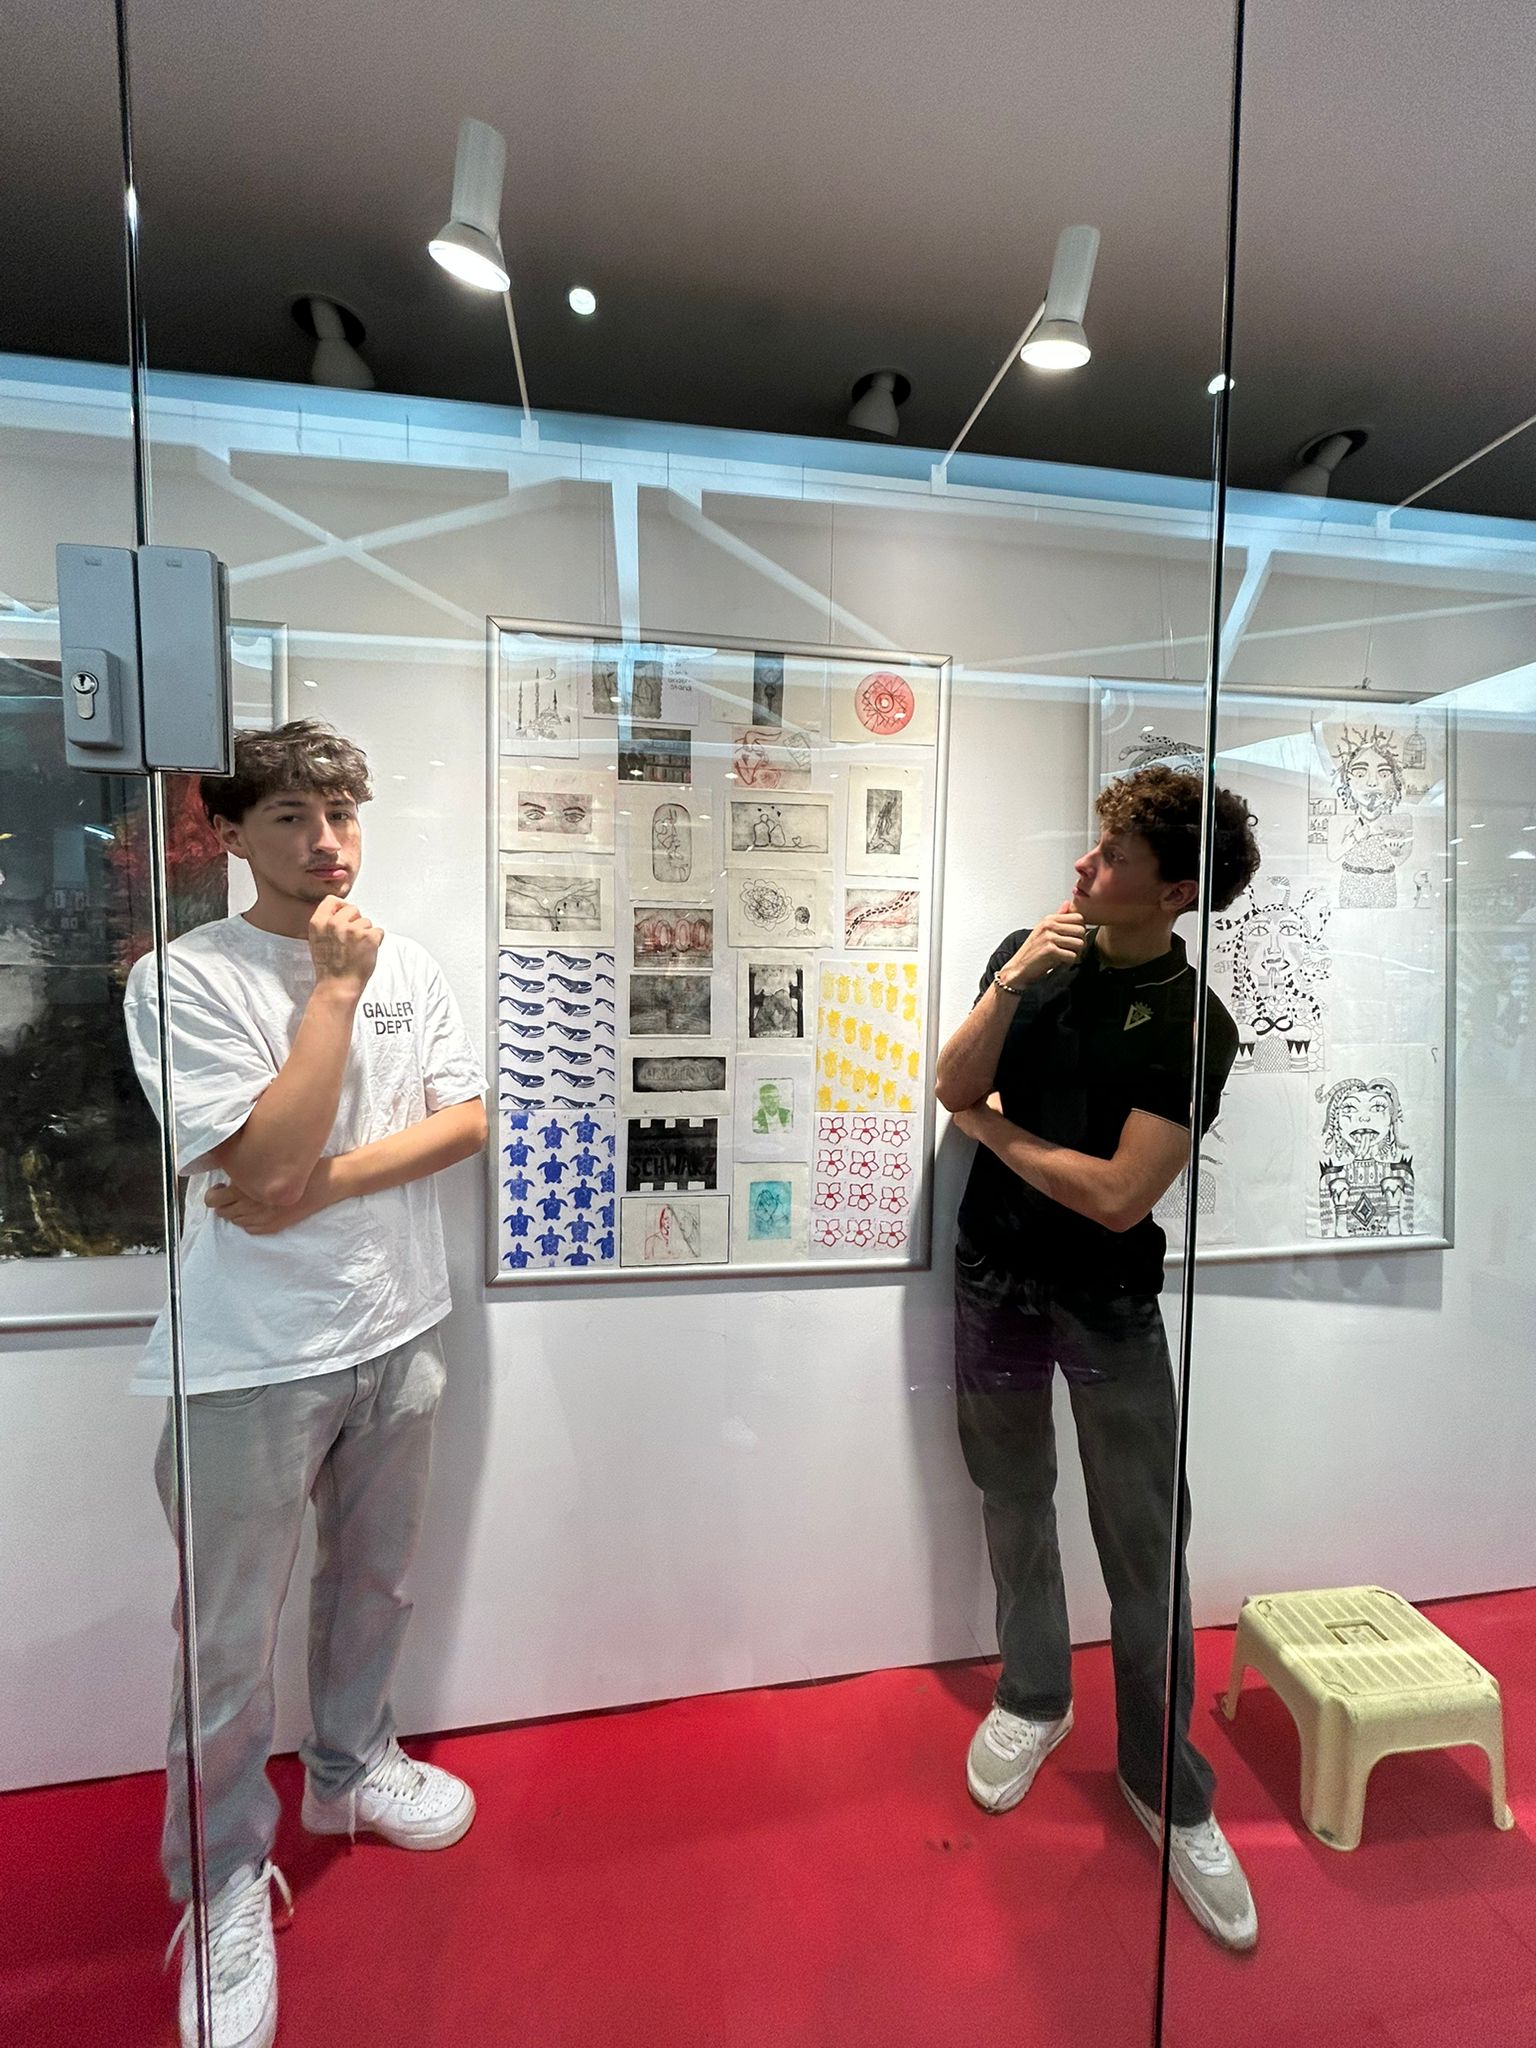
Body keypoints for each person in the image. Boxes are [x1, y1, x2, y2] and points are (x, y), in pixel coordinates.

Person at [123, 721, 488, 2048]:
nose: (325, 841)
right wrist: (332, 990)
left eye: (339, 813)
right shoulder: (186, 977)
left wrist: (319, 1185)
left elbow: (463, 1117)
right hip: (250, 1355)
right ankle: (222, 1877)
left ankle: (350, 1764)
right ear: (227, 834)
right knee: (226, 1643)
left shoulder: (413, 960)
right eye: (288, 816)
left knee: (375, 1582)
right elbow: (257, 1158)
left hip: (398, 1326)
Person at [934, 764, 1261, 1952]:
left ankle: (1163, 1776)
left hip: (1109, 1301)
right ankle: (1035, 1692)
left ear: (1175, 891)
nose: (1085, 865)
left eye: (1113, 855)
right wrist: (1013, 982)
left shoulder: (1192, 1021)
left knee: (1144, 1538)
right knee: (1011, 1492)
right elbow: (951, 1080)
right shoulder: (1034, 951)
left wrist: (995, 1131)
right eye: (1095, 842)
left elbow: (1121, 1196)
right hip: (995, 1278)